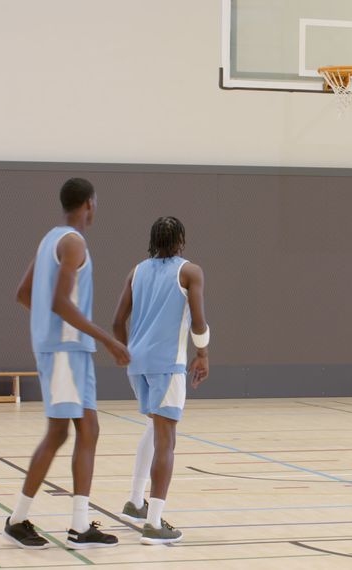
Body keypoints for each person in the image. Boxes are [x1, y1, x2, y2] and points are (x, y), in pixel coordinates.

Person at [6, 177, 129, 550]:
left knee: (87, 429)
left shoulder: (49, 240)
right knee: (61, 432)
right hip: (65, 350)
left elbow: (24, 293)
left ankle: (78, 523)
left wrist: (47, 328)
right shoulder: (74, 243)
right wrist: (107, 339)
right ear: (90, 204)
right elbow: (59, 302)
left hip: (66, 348)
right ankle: (19, 518)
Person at [112, 216, 210, 545]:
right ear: (181, 239)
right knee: (167, 440)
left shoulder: (136, 271)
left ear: (152, 239)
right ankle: (154, 524)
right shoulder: (190, 271)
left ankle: (135, 502)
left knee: (155, 428)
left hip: (137, 364)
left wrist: (124, 351)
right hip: (168, 364)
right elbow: (198, 321)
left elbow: (116, 321)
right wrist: (204, 354)